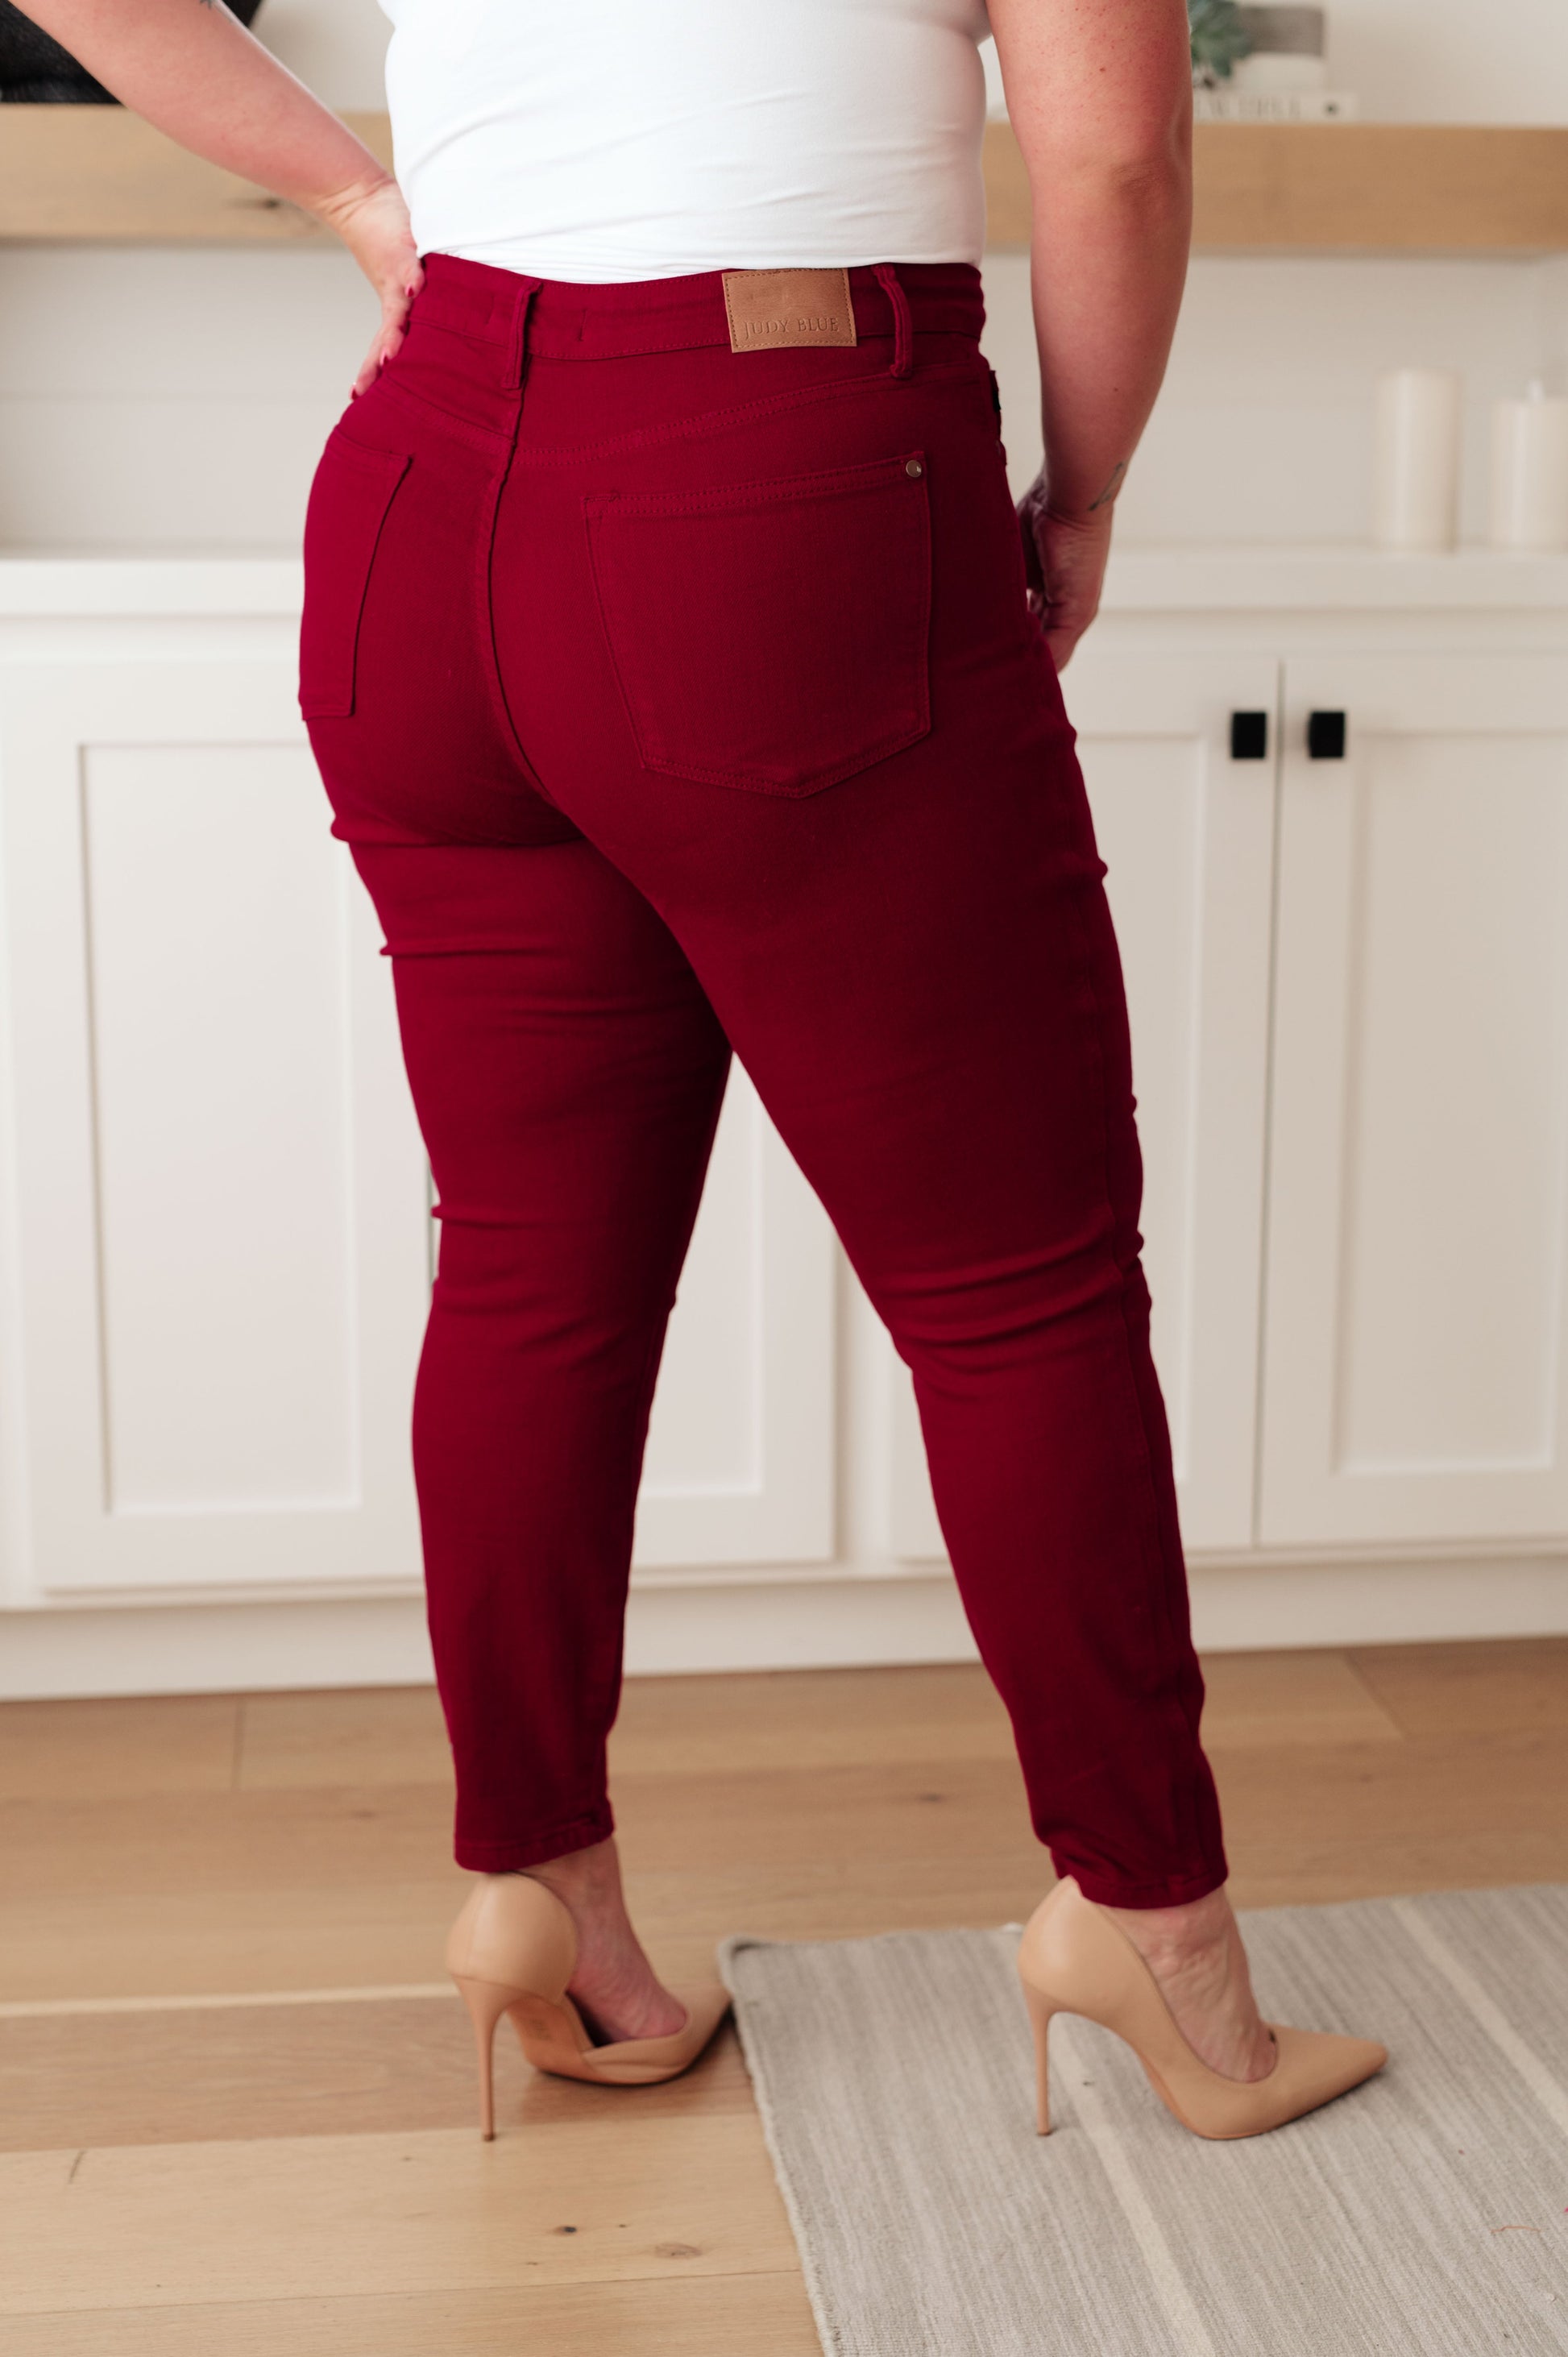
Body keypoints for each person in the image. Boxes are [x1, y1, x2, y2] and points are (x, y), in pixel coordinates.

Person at [34, 0, 1383, 2143]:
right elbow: (1115, 160)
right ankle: (1156, 1925)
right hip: (778, 481)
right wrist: (1087, 490)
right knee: (1016, 1288)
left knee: (528, 1271)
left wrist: (358, 194)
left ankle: (542, 1894)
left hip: (418, 498)